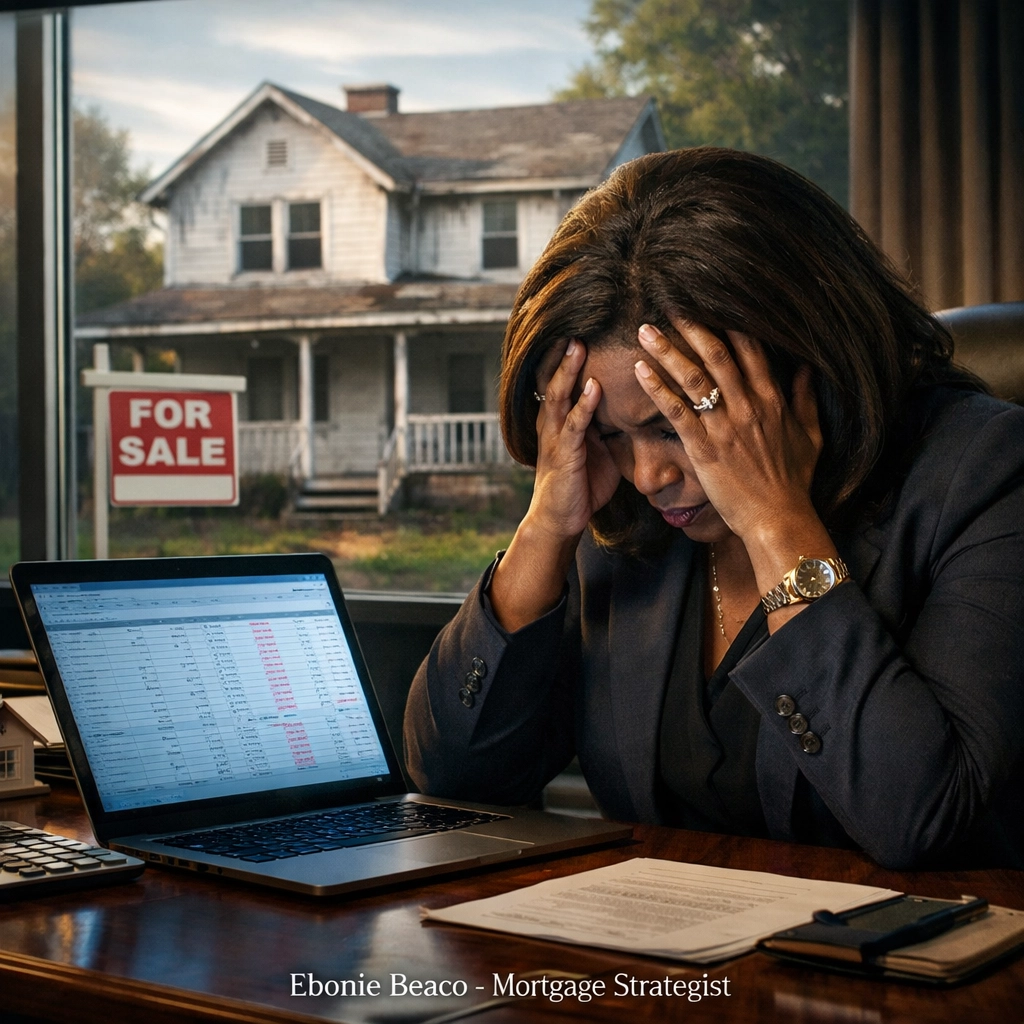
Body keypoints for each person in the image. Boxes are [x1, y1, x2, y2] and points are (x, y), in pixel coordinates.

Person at [403, 148, 1024, 870]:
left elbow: (920, 818)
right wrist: (545, 527)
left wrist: (774, 521)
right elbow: (451, 782)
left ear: (803, 366)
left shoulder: (987, 472)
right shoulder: (621, 514)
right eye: (611, 434)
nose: (649, 475)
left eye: (676, 426)